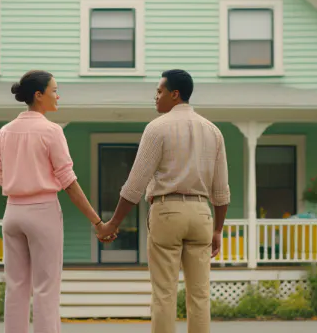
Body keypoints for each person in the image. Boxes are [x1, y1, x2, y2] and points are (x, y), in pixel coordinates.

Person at [97, 69, 229, 333]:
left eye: (159, 91)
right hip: (202, 214)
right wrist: (217, 229)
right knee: (200, 296)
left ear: (175, 94)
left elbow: (135, 184)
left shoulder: (157, 128)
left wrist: (113, 223)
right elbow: (221, 190)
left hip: (167, 212)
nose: (155, 97)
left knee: (164, 294)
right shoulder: (213, 132)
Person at [0, 70, 115, 333]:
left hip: (12, 212)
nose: (58, 95)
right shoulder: (51, 131)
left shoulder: (4, 132)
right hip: (42, 212)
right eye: (54, 90)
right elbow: (69, 183)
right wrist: (97, 221)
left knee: (16, 287)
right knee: (45, 288)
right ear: (39, 96)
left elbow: (1, 176)